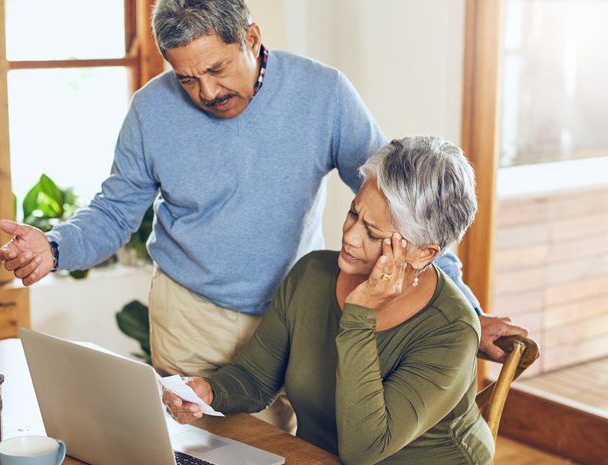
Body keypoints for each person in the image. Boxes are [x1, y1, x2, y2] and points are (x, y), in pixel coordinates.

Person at [0, 0, 526, 432]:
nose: (205, 92)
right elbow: (114, 212)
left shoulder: (324, 94)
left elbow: (406, 207)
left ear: (251, 38)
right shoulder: (150, 111)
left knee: (295, 447)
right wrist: (55, 246)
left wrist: (468, 313)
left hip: (299, 312)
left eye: (216, 69)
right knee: (208, 450)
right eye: (185, 78)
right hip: (191, 318)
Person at [163, 136, 494, 464]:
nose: (349, 236)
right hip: (313, 459)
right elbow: (256, 377)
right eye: (353, 214)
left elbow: (364, 449)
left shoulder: (452, 330)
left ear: (424, 252)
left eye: (373, 234)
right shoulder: (312, 274)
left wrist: (359, 314)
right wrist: (209, 391)